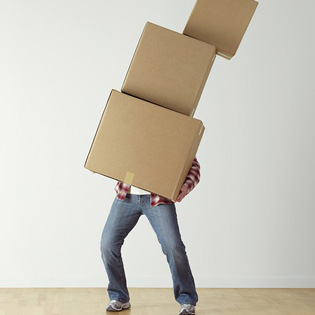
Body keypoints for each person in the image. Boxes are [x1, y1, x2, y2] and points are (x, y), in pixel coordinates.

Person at [100, 157, 200, 315]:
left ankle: (187, 299)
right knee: (107, 245)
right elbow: (113, 150)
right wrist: (100, 161)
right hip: (126, 195)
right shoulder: (129, 132)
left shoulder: (172, 134)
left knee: (174, 247)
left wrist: (186, 186)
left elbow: (193, 165)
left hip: (158, 197)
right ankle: (119, 296)